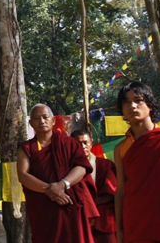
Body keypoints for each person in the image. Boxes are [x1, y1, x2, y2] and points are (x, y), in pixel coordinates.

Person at [114, 81, 160, 243]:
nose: (132, 106)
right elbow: (121, 190)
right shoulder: (121, 148)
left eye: (138, 100)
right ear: (122, 110)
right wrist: (119, 230)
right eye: (126, 102)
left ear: (149, 105)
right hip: (136, 221)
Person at [17, 104, 98, 243]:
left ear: (53, 120)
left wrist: (62, 185)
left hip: (69, 204)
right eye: (36, 118)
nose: (42, 121)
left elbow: (81, 167)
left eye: (45, 117)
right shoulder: (26, 148)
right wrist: (51, 191)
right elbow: (23, 175)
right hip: (43, 208)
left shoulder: (69, 143)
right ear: (31, 123)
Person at [72, 129, 117, 243]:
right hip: (77, 218)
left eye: (85, 143)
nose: (82, 146)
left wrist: (86, 205)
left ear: (91, 143)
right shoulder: (66, 167)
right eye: (78, 143)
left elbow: (111, 194)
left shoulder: (105, 165)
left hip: (103, 219)